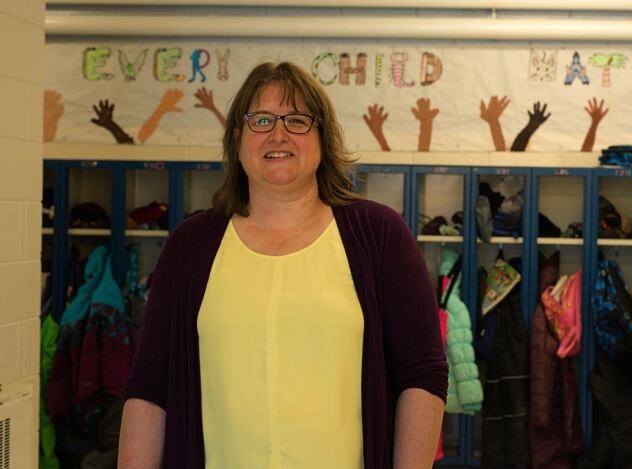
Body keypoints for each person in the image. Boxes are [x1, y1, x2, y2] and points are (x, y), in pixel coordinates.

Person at [117, 61, 448, 469]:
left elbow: (422, 375)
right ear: (236, 140)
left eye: (296, 120)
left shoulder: (378, 236)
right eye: (261, 120)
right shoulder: (191, 245)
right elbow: (150, 387)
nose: (278, 133)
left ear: (323, 138)